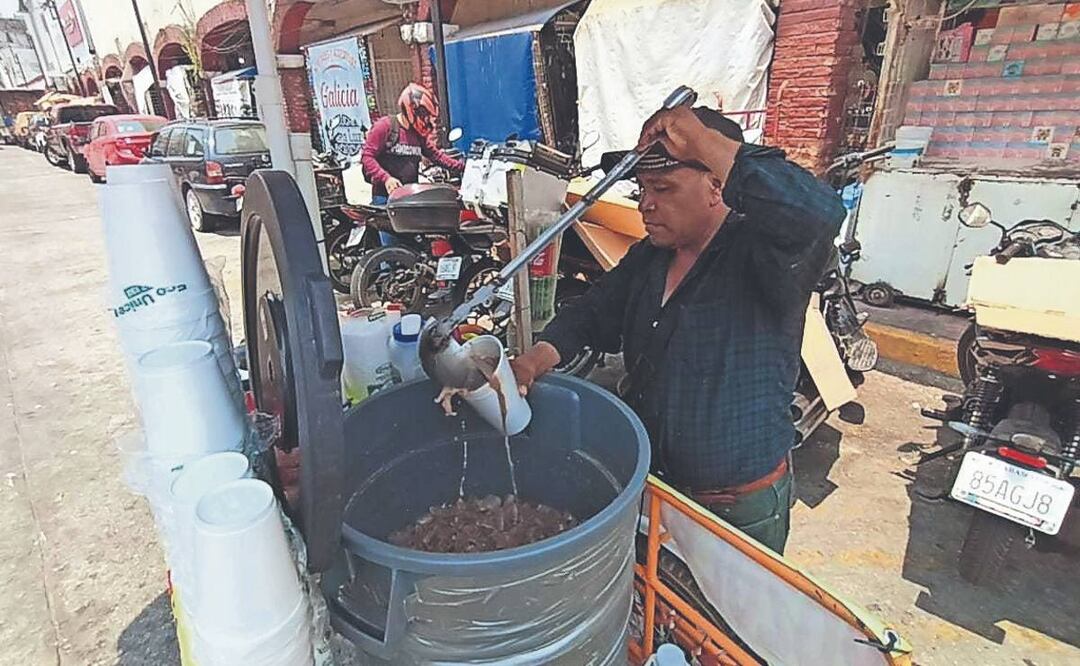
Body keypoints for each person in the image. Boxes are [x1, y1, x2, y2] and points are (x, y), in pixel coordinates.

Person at [510, 105, 845, 554]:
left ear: (716, 187)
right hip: (656, 488)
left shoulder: (765, 258)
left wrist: (707, 142)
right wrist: (534, 361)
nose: (646, 203)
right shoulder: (651, 257)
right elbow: (594, 311)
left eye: (663, 188)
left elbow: (818, 214)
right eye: (642, 188)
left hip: (735, 510)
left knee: (728, 623)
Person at [359, 82, 465, 206]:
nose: (427, 121)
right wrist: (386, 178)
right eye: (424, 115)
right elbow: (367, 157)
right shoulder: (385, 126)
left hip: (410, 196)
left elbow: (437, 156)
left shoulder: (417, 134)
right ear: (411, 110)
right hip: (384, 197)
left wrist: (464, 167)